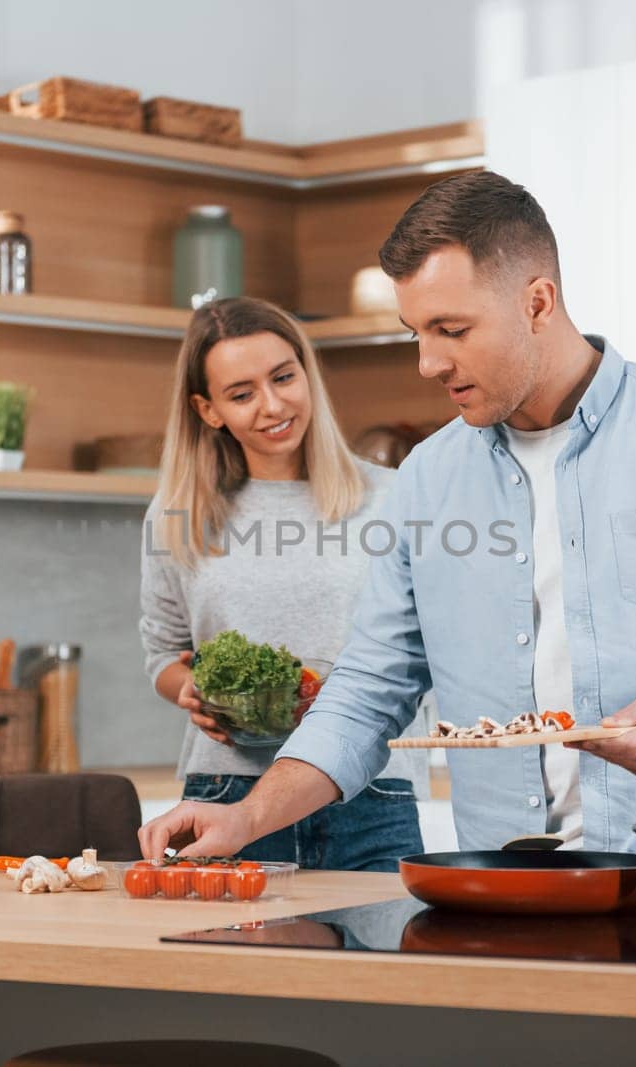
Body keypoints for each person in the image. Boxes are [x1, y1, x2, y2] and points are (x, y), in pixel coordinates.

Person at [140, 171, 636, 860]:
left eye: (451, 328)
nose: (427, 362)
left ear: (538, 302)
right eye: (416, 331)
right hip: (505, 887)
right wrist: (245, 816)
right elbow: (367, 692)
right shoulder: (428, 479)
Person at [138, 296, 428, 871]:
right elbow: (163, 656)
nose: (273, 405)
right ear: (209, 408)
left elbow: (422, 649)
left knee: (381, 961)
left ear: (307, 372)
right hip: (227, 791)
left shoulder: (394, 498)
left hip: (371, 793)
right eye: (242, 394)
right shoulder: (178, 513)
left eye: (283, 377)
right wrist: (190, 691)